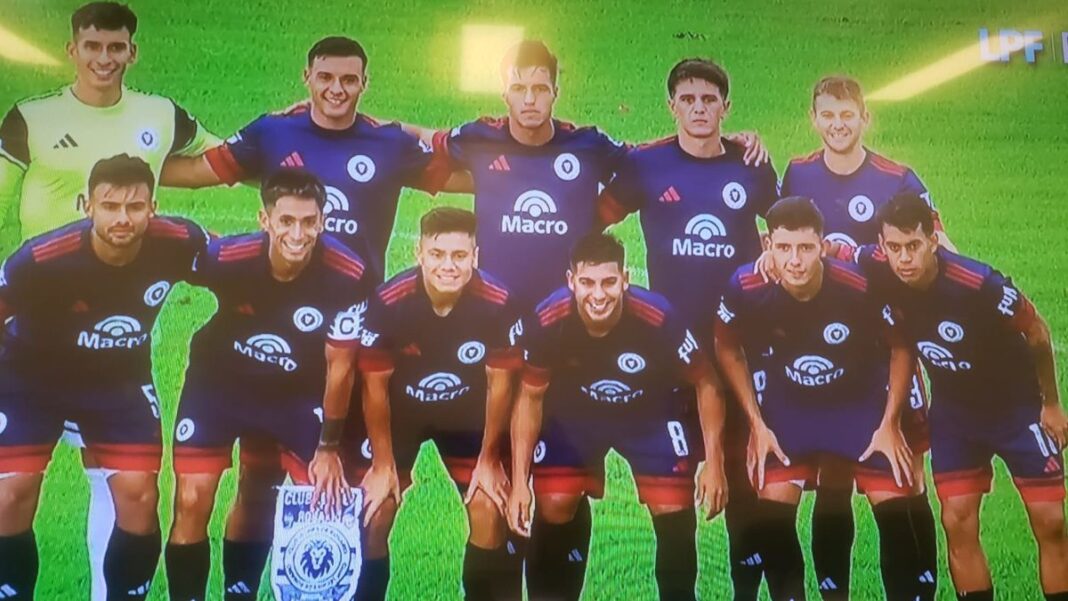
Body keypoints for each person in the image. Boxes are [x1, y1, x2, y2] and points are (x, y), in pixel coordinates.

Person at [0, 5, 217, 597]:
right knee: (11, 492)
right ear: (72, 50)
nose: (103, 58)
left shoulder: (159, 117)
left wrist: (294, 152)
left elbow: (221, 162)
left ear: (131, 52)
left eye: (115, 47)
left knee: (132, 490)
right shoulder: (31, 119)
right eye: (92, 46)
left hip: (117, 351)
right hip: (37, 343)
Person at [596, 57, 778, 600]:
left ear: (726, 107)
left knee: (744, 489)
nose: (699, 109)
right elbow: (593, 220)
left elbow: (789, 231)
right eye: (689, 100)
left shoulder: (751, 165)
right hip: (669, 355)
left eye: (709, 100)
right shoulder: (646, 165)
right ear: (672, 106)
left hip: (740, 349)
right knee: (674, 501)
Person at [165, 168, 376, 600]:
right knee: (191, 499)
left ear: (322, 220)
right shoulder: (228, 258)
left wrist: (328, 449)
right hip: (219, 387)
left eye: (308, 222)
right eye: (286, 221)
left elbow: (340, 366)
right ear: (265, 220)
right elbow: (168, 257)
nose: (297, 234)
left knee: (303, 499)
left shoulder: (350, 273)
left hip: (295, 396)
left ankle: (239, 593)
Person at [715, 196, 936, 600]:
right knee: (772, 513)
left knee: (894, 509)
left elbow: (901, 346)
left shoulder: (858, 286)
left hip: (858, 406)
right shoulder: (745, 287)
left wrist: (889, 424)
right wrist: (757, 424)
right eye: (784, 248)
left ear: (822, 245)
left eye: (805, 247)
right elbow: (727, 347)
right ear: (767, 246)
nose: (795, 260)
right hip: (790, 407)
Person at [775, 75, 944, 598]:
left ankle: (921, 591)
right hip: (824, 350)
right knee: (833, 476)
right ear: (814, 119)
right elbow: (783, 241)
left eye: (847, 115)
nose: (838, 124)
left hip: (887, 347)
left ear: (865, 118)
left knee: (906, 474)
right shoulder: (799, 173)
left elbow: (937, 247)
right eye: (827, 115)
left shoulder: (898, 179)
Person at [855, 193, 1068, 601]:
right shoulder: (879, 266)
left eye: (913, 245)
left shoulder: (979, 284)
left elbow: (1037, 332)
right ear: (882, 245)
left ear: (933, 240)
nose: (904, 258)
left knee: (1050, 520)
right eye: (894, 247)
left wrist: (1052, 404)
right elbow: (837, 250)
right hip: (955, 415)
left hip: (1017, 408)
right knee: (956, 520)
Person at [508, 233, 728, 601]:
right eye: (587, 283)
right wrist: (519, 481)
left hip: (648, 415)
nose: (598, 295)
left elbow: (707, 383)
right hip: (575, 415)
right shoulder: (548, 319)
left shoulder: (658, 316)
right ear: (571, 281)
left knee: (673, 506)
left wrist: (715, 464)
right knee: (555, 501)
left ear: (626, 279)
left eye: (609, 282)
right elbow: (530, 397)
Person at [159, 35, 459, 283]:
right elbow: (196, 172)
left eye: (349, 80)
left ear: (364, 83)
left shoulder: (390, 143)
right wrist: (134, 168)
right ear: (307, 77)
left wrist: (410, 130)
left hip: (355, 305)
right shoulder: (272, 132)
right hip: (279, 296)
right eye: (325, 78)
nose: (336, 90)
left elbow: (466, 180)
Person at [341, 207, 522, 599]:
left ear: (475, 256)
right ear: (419, 254)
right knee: (375, 512)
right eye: (437, 254)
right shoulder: (388, 302)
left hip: (466, 416)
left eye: (460, 256)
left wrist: (489, 459)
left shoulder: (499, 302)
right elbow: (374, 386)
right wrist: (383, 465)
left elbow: (500, 385)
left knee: (488, 508)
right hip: (399, 416)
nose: (448, 266)